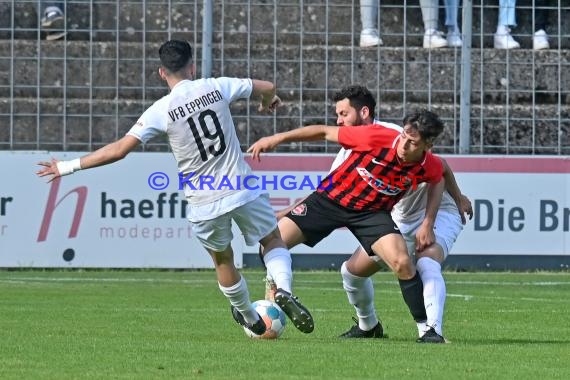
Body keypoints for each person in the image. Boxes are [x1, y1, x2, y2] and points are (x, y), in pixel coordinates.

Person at [36, 39, 314, 336]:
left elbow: (118, 150)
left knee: (222, 259)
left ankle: (248, 316)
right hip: (241, 186)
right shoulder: (216, 86)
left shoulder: (160, 110)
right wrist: (266, 100)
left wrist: (66, 166)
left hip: (203, 200)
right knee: (272, 241)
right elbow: (267, 85)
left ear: (161, 73)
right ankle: (283, 289)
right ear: (192, 66)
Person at [267, 85, 472, 343]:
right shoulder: (373, 137)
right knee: (342, 268)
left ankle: (430, 331)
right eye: (405, 137)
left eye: (343, 113)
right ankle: (366, 325)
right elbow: (323, 145)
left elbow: (439, 172)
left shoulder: (419, 155)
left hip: (393, 213)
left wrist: (435, 216)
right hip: (364, 209)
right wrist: (274, 140)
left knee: (414, 262)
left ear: (427, 146)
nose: (404, 145)